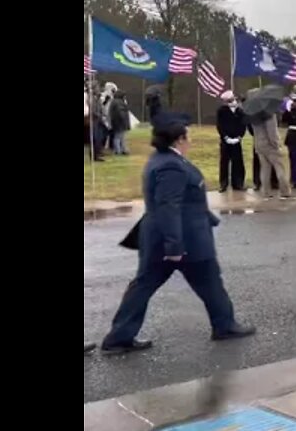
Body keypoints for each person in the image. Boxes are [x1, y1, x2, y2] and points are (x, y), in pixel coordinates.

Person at [99, 113, 255, 354]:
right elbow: (168, 206)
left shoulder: (162, 159)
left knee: (147, 285)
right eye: (187, 137)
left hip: (167, 237)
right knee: (206, 280)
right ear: (178, 140)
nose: (190, 141)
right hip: (182, 240)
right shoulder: (170, 166)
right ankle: (224, 325)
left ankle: (120, 337)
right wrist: (174, 246)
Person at [252, 109, 293, 199]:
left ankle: (266, 192)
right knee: (280, 168)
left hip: (259, 144)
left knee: (265, 169)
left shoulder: (254, 114)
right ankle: (285, 191)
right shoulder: (269, 114)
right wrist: (277, 145)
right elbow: (272, 132)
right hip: (270, 145)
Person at [215, 91, 247, 192]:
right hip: (226, 140)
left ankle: (238, 183)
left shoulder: (240, 111)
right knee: (224, 162)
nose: (232, 101)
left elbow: (243, 125)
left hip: (237, 140)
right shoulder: (221, 111)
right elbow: (220, 125)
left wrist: (239, 137)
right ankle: (223, 183)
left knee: (237, 162)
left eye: (232, 99)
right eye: (229, 100)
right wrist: (225, 137)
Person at [109, 91, 132, 156]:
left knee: (120, 137)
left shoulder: (114, 102)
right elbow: (121, 113)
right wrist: (124, 121)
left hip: (116, 122)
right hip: (120, 123)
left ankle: (121, 149)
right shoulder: (119, 103)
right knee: (119, 137)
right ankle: (118, 150)